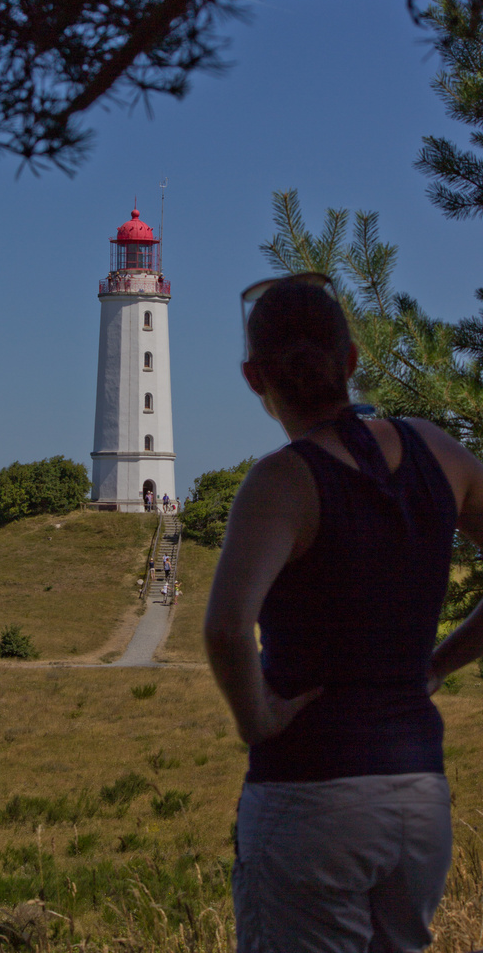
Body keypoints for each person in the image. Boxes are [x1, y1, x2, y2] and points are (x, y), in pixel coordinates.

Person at [204, 273, 483, 953]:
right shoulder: (436, 451)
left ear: (253, 376)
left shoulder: (282, 482)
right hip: (417, 799)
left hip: (310, 796)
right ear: (352, 361)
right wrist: (437, 664)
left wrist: (259, 719)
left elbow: (226, 626)